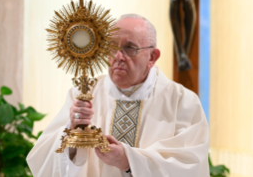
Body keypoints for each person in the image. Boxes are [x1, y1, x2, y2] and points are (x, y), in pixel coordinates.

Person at [27, 14, 210, 176]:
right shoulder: (83, 94)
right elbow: (43, 159)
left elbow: (190, 166)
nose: (118, 56)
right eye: (111, 47)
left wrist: (128, 161)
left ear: (152, 57)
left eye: (130, 48)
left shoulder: (182, 102)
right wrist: (72, 130)